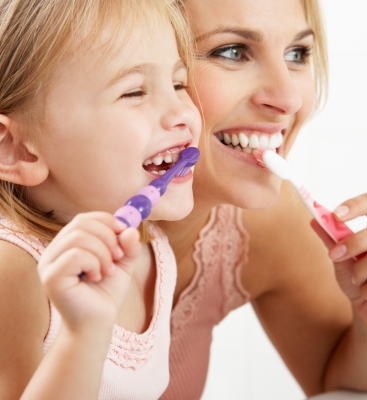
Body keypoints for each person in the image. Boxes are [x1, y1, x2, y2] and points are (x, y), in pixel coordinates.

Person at [158, 0, 367, 399]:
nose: (288, 99)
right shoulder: (39, 250)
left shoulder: (263, 221)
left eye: (297, 54)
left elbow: (343, 388)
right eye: (232, 51)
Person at [0, 1, 200, 399]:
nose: (182, 111)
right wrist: (82, 334)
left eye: (178, 83)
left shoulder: (151, 247)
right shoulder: (14, 273)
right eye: (133, 92)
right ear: (17, 150)